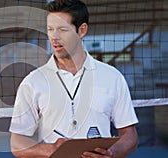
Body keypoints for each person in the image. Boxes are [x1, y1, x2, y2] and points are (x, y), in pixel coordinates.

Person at [9, 0, 138, 157]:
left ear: (81, 30)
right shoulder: (32, 82)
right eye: (50, 29)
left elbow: (129, 134)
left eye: (63, 30)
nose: (54, 37)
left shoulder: (112, 77)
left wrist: (112, 153)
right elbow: (17, 143)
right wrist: (51, 149)